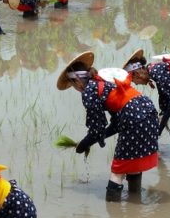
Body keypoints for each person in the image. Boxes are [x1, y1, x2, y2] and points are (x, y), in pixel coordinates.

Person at [58, 54, 159, 201]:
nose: (76, 89)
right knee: (133, 164)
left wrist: (84, 144)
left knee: (118, 170)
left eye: (73, 86)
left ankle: (114, 216)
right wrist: (95, 138)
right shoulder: (104, 81)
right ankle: (134, 203)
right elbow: (116, 123)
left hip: (133, 117)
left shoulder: (89, 92)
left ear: (77, 81)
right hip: (148, 110)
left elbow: (96, 129)